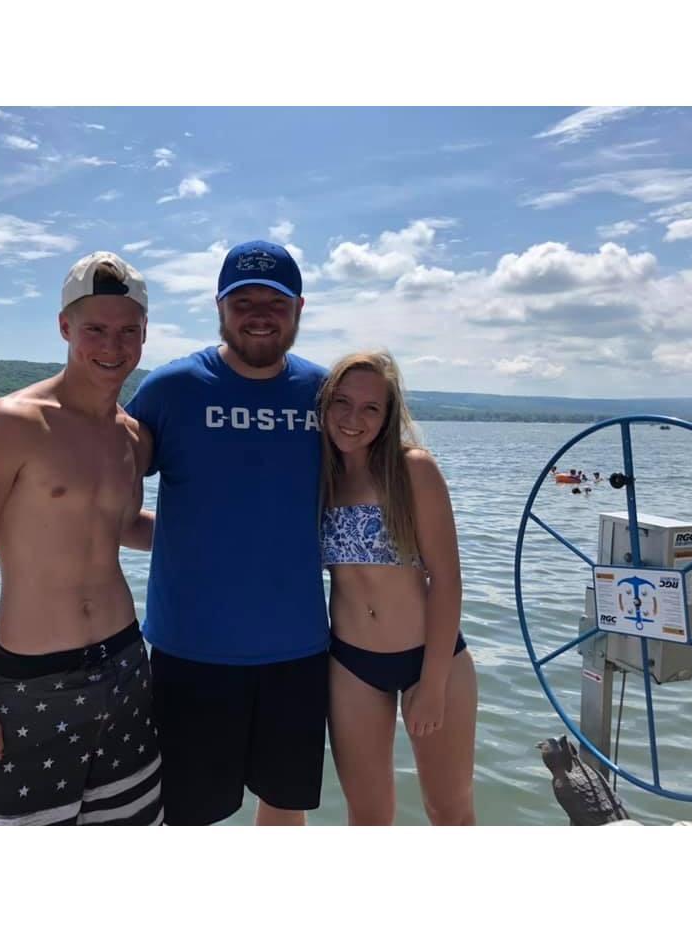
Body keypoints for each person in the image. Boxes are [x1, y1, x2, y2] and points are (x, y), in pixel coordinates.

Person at [0, 251, 162, 826]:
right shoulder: (9, 425)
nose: (112, 347)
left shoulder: (133, 436)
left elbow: (124, 526)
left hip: (128, 665)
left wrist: (221, 533)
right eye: (96, 331)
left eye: (128, 332)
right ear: (65, 328)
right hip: (34, 684)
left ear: (144, 335)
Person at [126, 240, 329, 825]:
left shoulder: (324, 393)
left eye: (276, 300)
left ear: (299, 309)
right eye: (244, 300)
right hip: (191, 649)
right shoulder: (171, 390)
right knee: (190, 814)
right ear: (219, 305)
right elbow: (101, 498)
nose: (259, 312)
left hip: (298, 648)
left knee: (285, 805)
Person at [319, 351, 477, 825]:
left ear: (388, 416)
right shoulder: (318, 477)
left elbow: (447, 580)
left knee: (447, 810)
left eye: (371, 408)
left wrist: (432, 684)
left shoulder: (413, 470)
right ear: (325, 405)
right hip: (351, 664)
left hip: (432, 659)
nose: (353, 419)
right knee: (367, 817)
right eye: (342, 403)